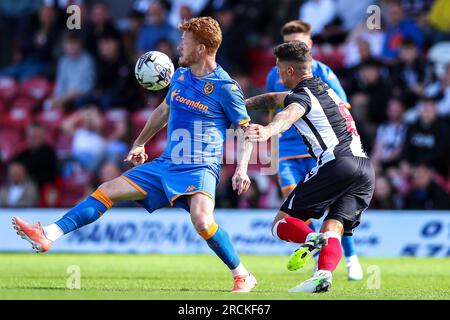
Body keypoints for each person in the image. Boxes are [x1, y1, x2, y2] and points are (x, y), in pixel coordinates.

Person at [12, 17, 257, 293]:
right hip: (166, 164)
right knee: (107, 189)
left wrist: (241, 169)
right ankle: (49, 234)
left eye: (185, 42)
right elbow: (164, 111)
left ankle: (242, 275)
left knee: (202, 221)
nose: (179, 47)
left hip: (200, 167)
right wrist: (140, 143)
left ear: (201, 49)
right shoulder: (179, 75)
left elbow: (246, 131)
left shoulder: (226, 87)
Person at [244, 41, 375, 293]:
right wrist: (239, 106)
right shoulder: (325, 89)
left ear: (290, 71)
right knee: (334, 227)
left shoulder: (301, 97)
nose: (277, 74)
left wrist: (268, 130)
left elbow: (287, 113)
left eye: (279, 69)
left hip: (337, 164)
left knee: (280, 225)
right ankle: (322, 277)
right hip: (364, 170)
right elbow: (273, 99)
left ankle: (313, 240)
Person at [263, 20, 363, 281]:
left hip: (319, 151)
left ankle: (349, 258)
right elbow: (273, 109)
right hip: (287, 149)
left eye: (300, 42)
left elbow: (342, 107)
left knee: (331, 210)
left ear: (309, 44)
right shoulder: (274, 74)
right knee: (294, 203)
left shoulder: (324, 74)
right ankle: (318, 252)